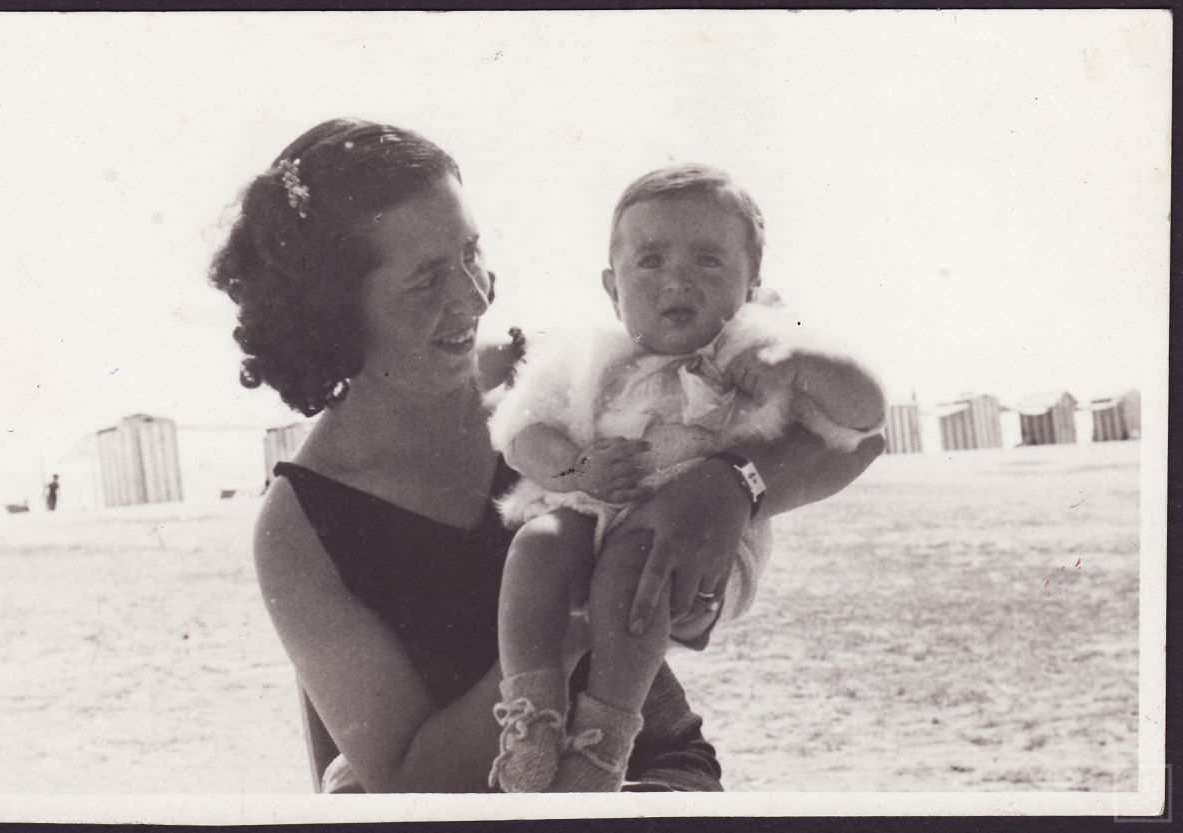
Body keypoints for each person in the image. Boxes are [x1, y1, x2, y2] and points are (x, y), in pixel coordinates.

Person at [209, 118, 884, 793]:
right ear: (334, 308)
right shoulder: (301, 527)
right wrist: (573, 626)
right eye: (427, 280)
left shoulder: (543, 375)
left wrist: (731, 485)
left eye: (471, 253)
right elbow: (406, 783)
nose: (475, 296)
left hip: (651, 771)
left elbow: (860, 441)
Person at [485, 164, 886, 791]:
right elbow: (520, 432)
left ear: (752, 283)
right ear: (611, 287)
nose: (677, 280)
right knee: (535, 546)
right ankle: (532, 715)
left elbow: (865, 419)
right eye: (649, 261)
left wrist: (801, 363)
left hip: (705, 550)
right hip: (591, 514)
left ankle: (603, 742)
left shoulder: (761, 352)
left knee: (632, 566)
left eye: (708, 260)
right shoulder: (586, 355)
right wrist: (576, 468)